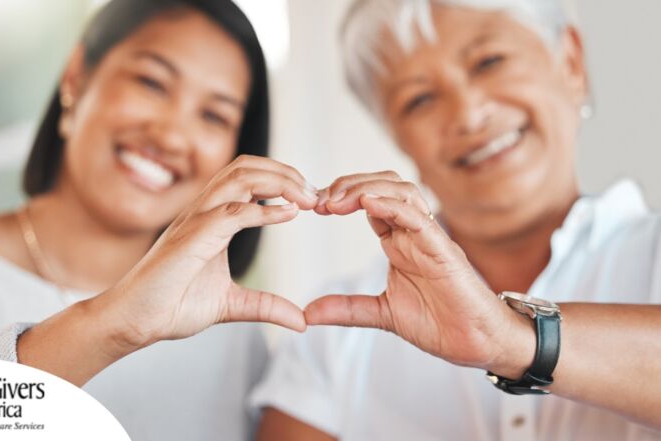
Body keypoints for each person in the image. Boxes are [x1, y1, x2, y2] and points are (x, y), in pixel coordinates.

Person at [252, 1, 661, 440]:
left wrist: (513, 339)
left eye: (489, 61)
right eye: (420, 99)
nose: (468, 115)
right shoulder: (337, 332)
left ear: (570, 62)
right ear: (397, 135)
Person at [0, 0, 317, 439]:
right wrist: (111, 325)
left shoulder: (232, 338)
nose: (170, 136)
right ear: (77, 77)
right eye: (151, 82)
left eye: (214, 115)